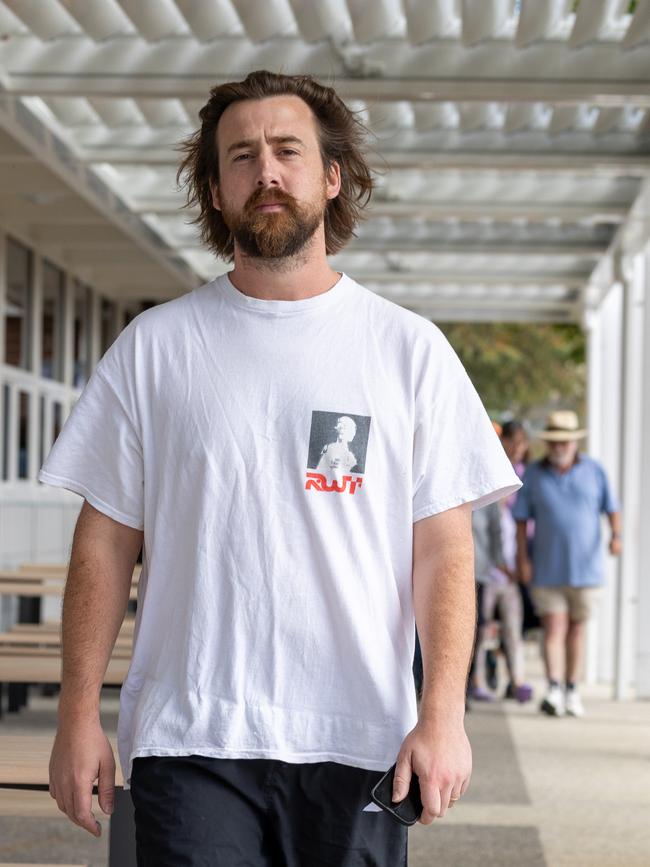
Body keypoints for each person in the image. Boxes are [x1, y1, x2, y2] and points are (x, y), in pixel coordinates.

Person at [39, 70, 520, 865]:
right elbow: (104, 545)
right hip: (188, 736)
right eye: (241, 156)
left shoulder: (408, 351)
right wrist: (76, 712)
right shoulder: (156, 349)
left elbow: (443, 549)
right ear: (217, 191)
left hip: (358, 735)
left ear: (331, 179)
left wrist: (444, 714)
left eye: (287, 150)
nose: (265, 170)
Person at [513, 410, 621, 718]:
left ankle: (572, 688)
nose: (560, 447)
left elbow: (612, 508)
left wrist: (617, 536)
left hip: (586, 569)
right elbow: (521, 520)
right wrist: (522, 559)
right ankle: (554, 688)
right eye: (555, 442)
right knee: (554, 627)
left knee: (576, 629)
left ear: (575, 442)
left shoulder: (595, 471)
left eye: (566, 442)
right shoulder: (533, 474)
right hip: (547, 566)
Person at [470, 501, 533, 703]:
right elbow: (494, 544)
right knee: (479, 634)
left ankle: (517, 681)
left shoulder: (512, 510)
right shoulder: (483, 503)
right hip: (487, 577)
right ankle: (476, 682)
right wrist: (504, 567)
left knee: (513, 632)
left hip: (508, 581)